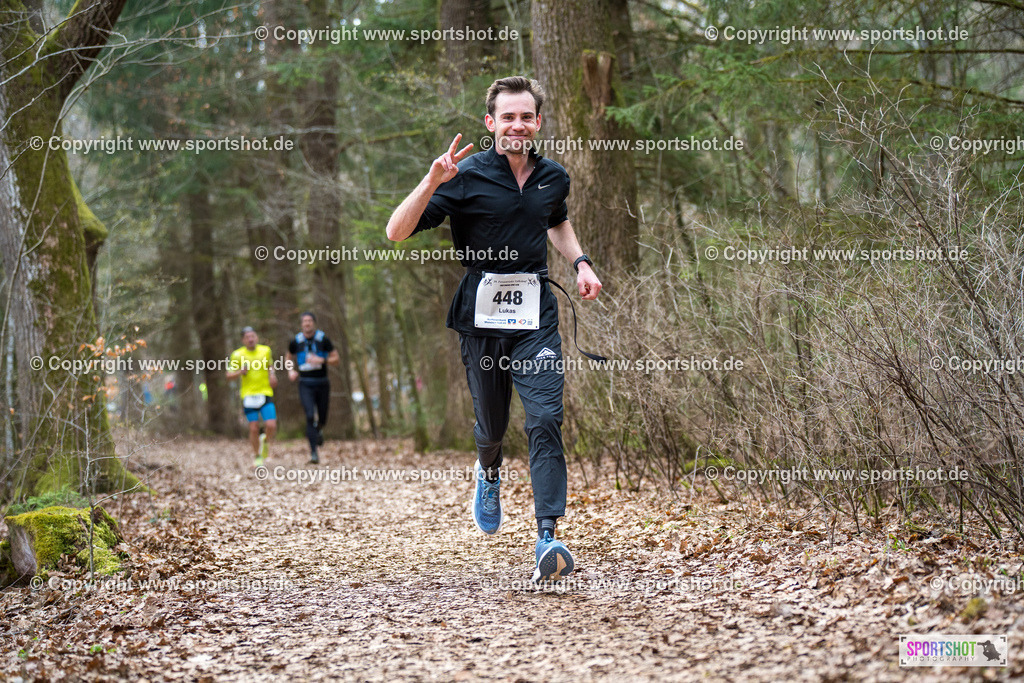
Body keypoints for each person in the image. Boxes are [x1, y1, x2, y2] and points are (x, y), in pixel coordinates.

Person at [385, 76, 602, 582]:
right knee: (492, 421)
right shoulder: (464, 176)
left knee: (545, 417)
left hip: (536, 316)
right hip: (481, 317)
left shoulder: (554, 177)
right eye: (508, 117)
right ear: (491, 123)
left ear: (538, 122)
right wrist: (432, 180)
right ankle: (488, 472)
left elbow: (557, 220)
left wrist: (581, 263)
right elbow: (395, 231)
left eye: (526, 116)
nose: (517, 125)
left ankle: (548, 535)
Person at [287, 312, 340, 464]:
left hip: (322, 382)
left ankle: (319, 429)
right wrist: (291, 370)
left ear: (314, 323)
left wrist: (322, 359)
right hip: (305, 382)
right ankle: (313, 453)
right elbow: (288, 357)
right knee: (309, 415)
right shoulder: (296, 341)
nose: (307, 324)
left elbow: (336, 359)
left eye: (310, 321)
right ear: (301, 324)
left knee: (322, 416)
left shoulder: (323, 339)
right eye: (304, 321)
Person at [227, 326, 278, 465]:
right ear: (243, 340)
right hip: (248, 395)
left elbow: (270, 365)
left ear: (257, 337)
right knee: (254, 428)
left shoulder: (265, 351)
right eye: (247, 337)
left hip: (265, 392)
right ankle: (257, 456)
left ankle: (266, 441)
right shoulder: (237, 355)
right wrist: (239, 372)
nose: (250, 339)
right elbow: (229, 375)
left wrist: (272, 375)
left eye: (252, 336)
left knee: (271, 425)